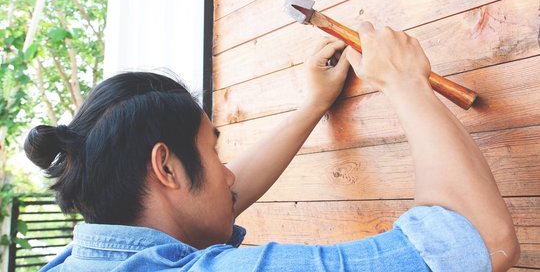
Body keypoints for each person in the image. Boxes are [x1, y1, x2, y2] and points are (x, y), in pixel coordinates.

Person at [25, 22, 519, 271]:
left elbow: (209, 204)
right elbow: (476, 240)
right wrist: (407, 82)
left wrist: (312, 106)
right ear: (167, 168)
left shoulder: (89, 257)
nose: (230, 174)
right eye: (216, 155)